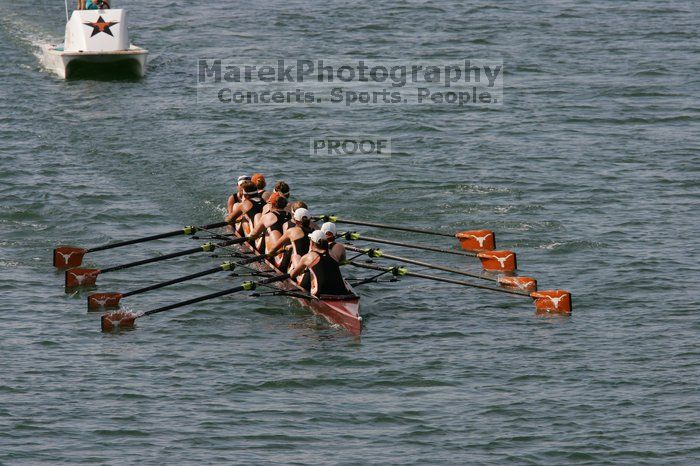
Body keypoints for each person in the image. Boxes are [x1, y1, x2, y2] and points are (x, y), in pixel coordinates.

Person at [290, 230, 351, 296]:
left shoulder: (309, 256)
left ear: (312, 243)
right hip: (341, 292)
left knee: (295, 257)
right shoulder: (333, 254)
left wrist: (292, 272)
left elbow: (293, 275)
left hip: (320, 294)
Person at [267, 207, 316, 274]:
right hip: (310, 266)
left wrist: (267, 257)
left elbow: (274, 249)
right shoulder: (315, 233)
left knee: (271, 235)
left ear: (295, 220)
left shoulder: (292, 231)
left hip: (294, 267)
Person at [247, 193, 291, 262]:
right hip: (287, 249)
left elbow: (253, 234)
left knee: (267, 229)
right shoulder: (290, 214)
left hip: (276, 255)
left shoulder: (269, 216)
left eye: (269, 203)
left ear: (272, 204)